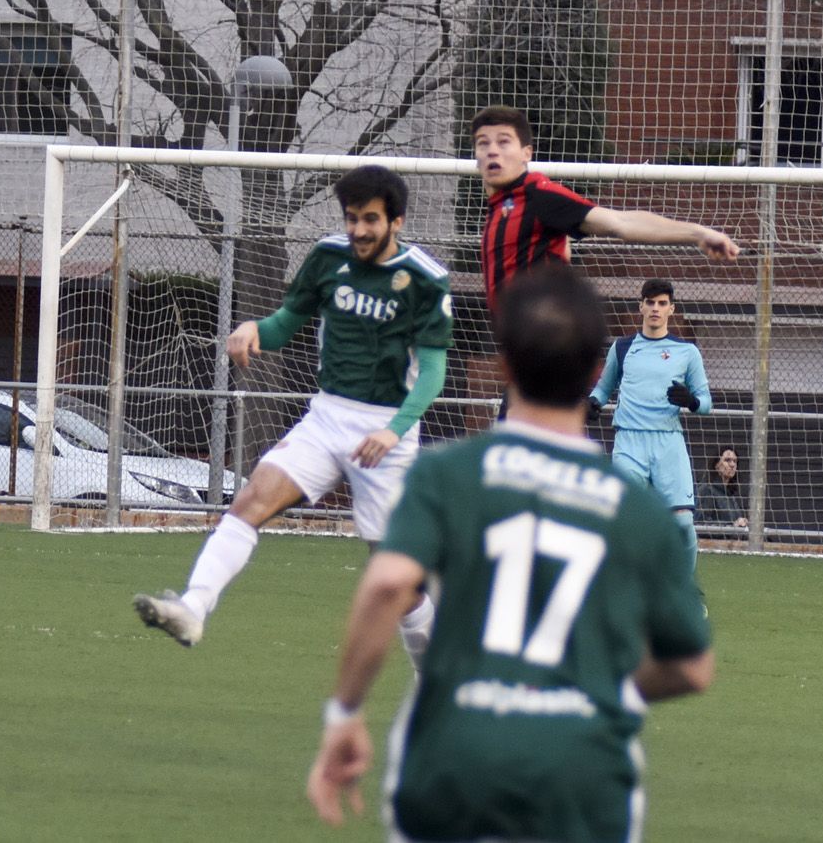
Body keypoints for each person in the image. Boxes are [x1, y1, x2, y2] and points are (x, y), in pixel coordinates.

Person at [307, 267, 714, 841]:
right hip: (583, 773)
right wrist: (593, 686)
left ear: (503, 366)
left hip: (454, 756)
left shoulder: (444, 475)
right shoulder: (634, 508)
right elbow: (693, 668)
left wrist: (345, 713)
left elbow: (385, 586)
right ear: (593, 373)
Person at [133, 166, 452, 664]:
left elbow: (433, 372)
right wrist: (254, 329)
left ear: (397, 222)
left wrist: (394, 431)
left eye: (371, 219)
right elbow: (287, 324)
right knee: (251, 499)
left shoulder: (427, 281)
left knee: (395, 580)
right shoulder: (327, 258)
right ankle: (193, 607)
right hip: (326, 417)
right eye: (352, 218)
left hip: (386, 429)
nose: (359, 230)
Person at [472, 105, 740, 316]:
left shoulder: (539, 195)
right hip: (519, 346)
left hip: (542, 348)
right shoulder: (502, 203)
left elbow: (620, 222)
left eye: (504, 142)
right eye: (483, 143)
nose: (492, 151)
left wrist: (697, 233)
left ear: (526, 153)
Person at [589, 279, 713, 570]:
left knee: (682, 522)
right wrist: (592, 403)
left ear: (672, 309)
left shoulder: (687, 352)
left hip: (668, 441)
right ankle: (623, 586)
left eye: (662, 303)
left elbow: (706, 401)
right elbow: (603, 388)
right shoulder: (622, 348)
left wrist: (691, 401)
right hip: (629, 442)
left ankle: (685, 592)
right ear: (641, 306)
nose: (655, 309)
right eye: (650, 302)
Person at [696, 445, 748, 530]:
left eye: (735, 461)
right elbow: (701, 523)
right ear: (716, 465)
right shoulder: (707, 489)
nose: (732, 465)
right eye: (727, 460)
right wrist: (731, 526)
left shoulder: (731, 495)